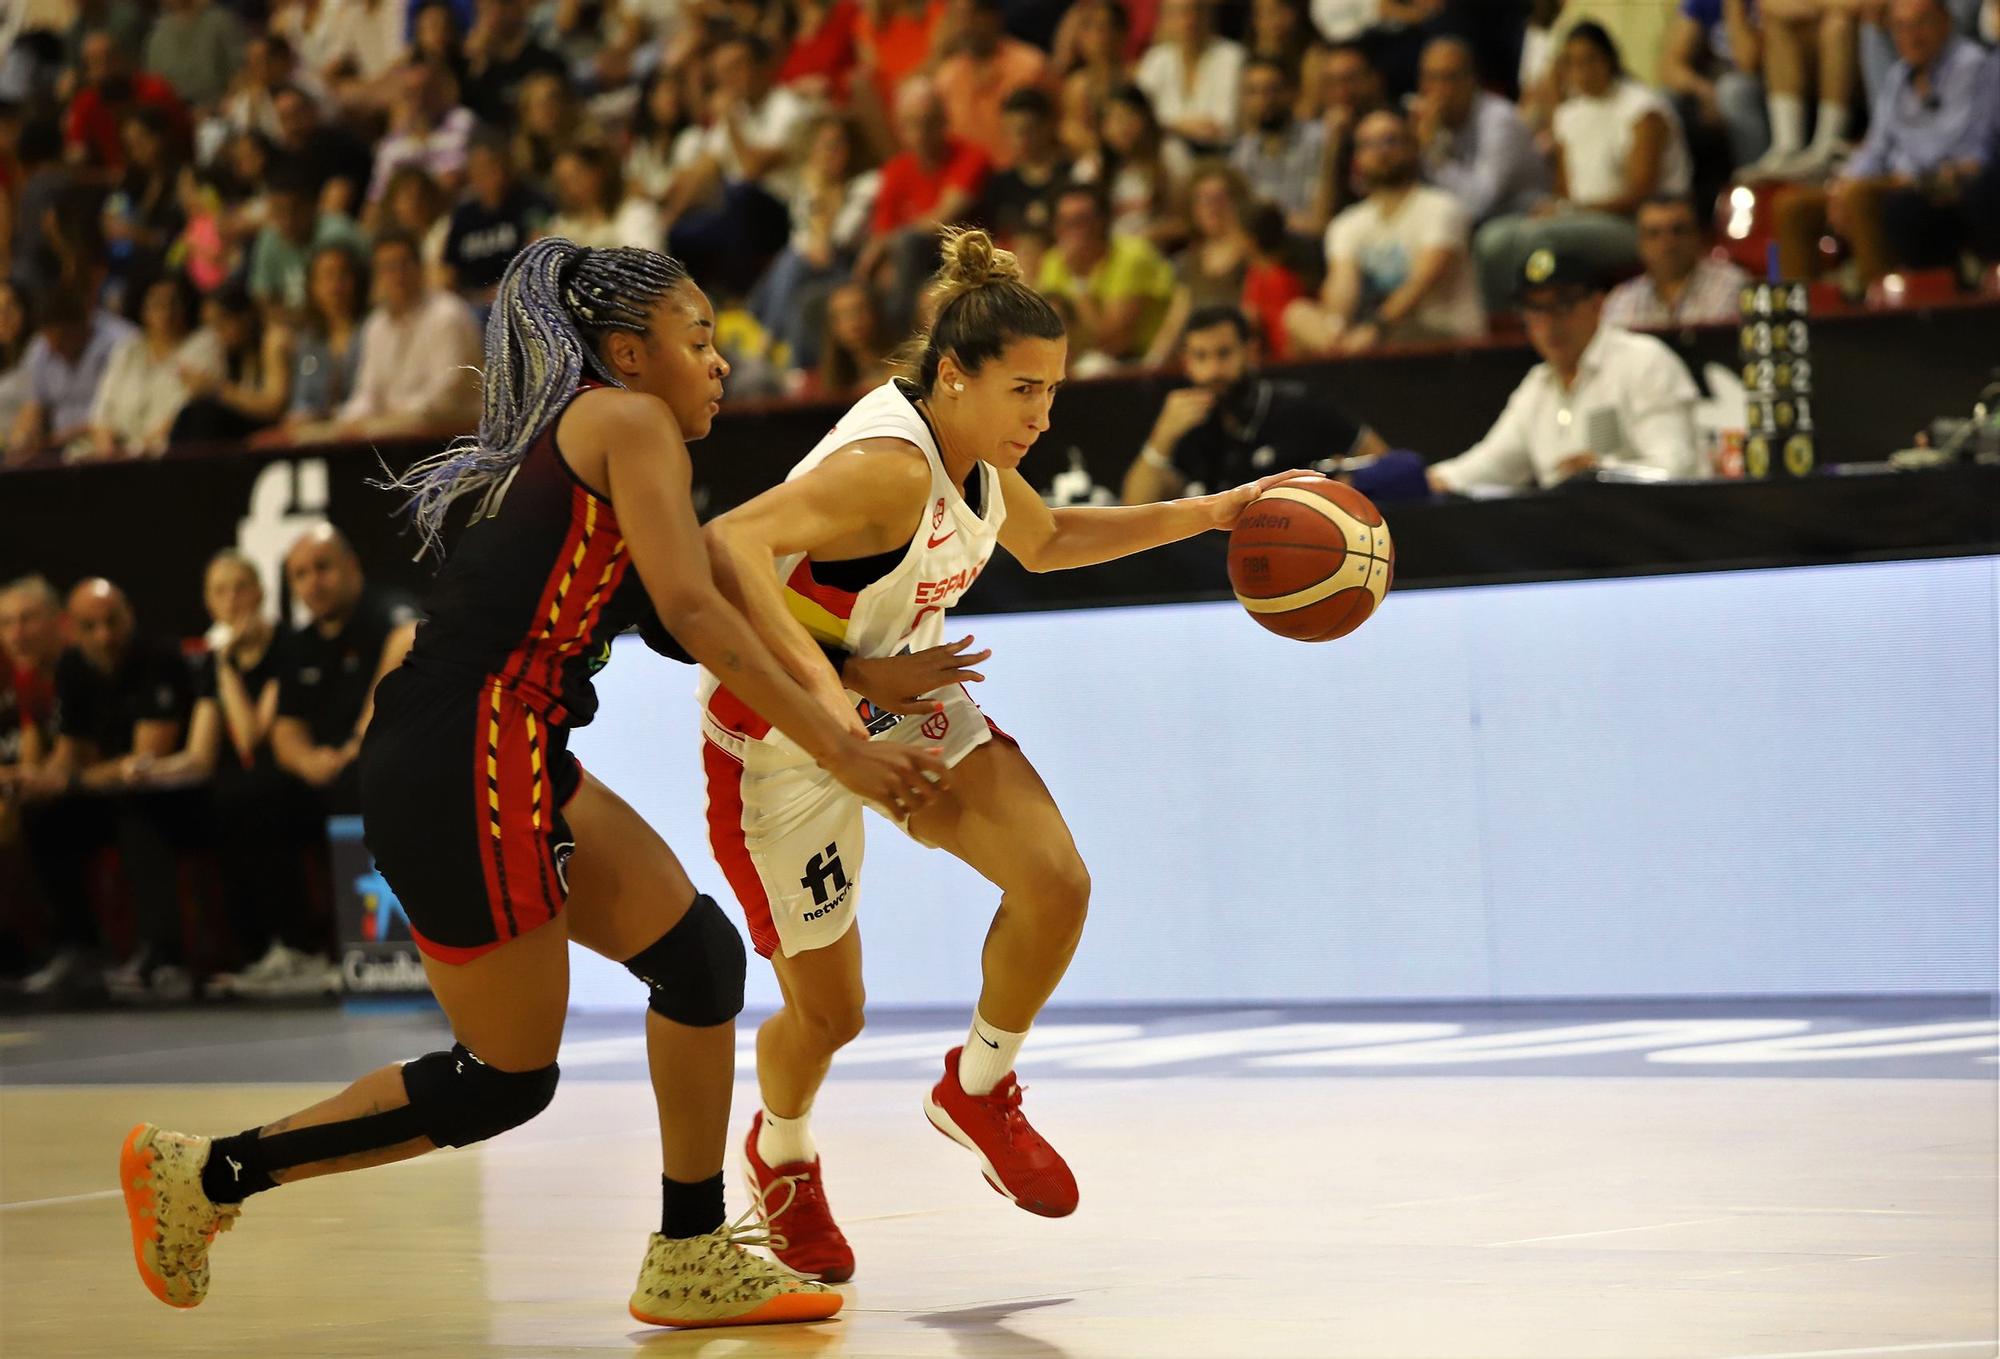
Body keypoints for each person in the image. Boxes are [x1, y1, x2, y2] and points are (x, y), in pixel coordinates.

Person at [119, 238, 946, 1328]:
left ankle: (690, 1249)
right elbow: (698, 614)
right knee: (506, 1078)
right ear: (624, 353)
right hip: (469, 748)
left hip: (503, 747)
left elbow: (684, 616)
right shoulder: (625, 422)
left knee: (697, 963)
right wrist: (841, 742)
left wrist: (847, 673)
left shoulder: (599, 441)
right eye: (697, 340)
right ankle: (209, 1174)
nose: (718, 364)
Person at [699, 226, 1298, 1284]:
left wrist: (1209, 516)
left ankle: (975, 1088)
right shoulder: (886, 468)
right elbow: (728, 544)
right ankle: (780, 1152)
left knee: (1054, 881)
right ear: (950, 377)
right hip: (777, 738)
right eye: (1023, 390)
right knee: (830, 1015)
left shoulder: (970, 458)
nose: (1041, 414)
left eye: (1052, 392)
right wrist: (839, 696)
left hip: (888, 696)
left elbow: (1051, 540)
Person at [1426, 246, 1703, 493]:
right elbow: (1486, 466)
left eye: (1563, 304)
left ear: (1597, 304)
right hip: (1574, 539)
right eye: (1536, 309)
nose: (1549, 323)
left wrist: (1603, 474)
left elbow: (1676, 468)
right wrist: (1419, 481)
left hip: (1655, 537)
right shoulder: (1537, 386)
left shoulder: (1643, 361)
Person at [1772, 0, 1997, 284]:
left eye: (1921, 23)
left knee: (1862, 197)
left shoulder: (1971, 65)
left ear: (1945, 22)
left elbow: (1954, 145)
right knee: (1791, 207)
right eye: (1901, 27)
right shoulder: (1898, 77)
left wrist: (1869, 185)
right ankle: (1806, 319)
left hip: (1943, 182)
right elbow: (1875, 147)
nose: (1911, 36)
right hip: (1891, 182)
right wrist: (1843, 184)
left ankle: (1880, 313)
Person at [1124, 303, 1386, 504]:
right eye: (1200, 357)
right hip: (1220, 554)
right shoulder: (1186, 423)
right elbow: (1136, 507)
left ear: (1250, 352)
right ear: (1187, 362)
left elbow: (1384, 461)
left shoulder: (1300, 406)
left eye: (1224, 354)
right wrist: (1161, 439)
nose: (1213, 370)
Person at [1286, 107, 1485, 354]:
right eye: (1368, 144)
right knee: (1297, 314)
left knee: (1390, 334)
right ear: (1357, 158)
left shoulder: (1441, 207)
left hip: (1443, 338)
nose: (1381, 151)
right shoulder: (1347, 223)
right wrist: (1336, 329)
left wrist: (1375, 329)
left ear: (1412, 148)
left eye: (1390, 140)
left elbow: (1421, 283)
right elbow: (1343, 285)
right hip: (1372, 340)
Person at [336, 233, 481, 436]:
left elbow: (447, 396)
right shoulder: (375, 325)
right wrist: (346, 421)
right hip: (395, 435)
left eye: (404, 265)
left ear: (420, 268)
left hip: (451, 440)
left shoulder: (447, 314)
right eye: (387, 268)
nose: (397, 275)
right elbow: (368, 394)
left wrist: (394, 418)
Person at [1412, 35, 1549, 227]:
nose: (1439, 89)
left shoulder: (1500, 121)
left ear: (1471, 80)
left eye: (1449, 78)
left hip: (1523, 220)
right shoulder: (1432, 124)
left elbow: (1480, 204)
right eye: (1431, 78)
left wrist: (1432, 154)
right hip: (1477, 223)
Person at [1037, 183, 1178, 365]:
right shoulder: (1053, 261)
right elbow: (1046, 331)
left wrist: (1078, 278)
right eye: (1066, 222)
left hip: (1139, 365)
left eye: (1082, 220)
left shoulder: (1132, 257)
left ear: (1102, 221)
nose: (1074, 231)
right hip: (1078, 362)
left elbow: (1112, 342)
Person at [1604, 195, 1752, 329]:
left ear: (1698, 236)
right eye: (1654, 234)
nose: (1667, 244)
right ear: (1640, 244)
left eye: (1678, 231)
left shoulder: (1732, 286)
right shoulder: (1621, 300)